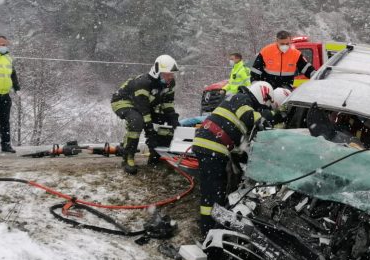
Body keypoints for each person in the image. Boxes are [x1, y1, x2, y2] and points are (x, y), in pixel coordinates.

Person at [192, 84, 263, 235]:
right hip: (212, 147)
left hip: (208, 145)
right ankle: (208, 230)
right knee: (213, 191)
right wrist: (265, 119)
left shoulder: (234, 97)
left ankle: (207, 225)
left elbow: (235, 136)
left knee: (212, 189)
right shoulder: (242, 99)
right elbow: (249, 117)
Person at [111, 55, 180, 174]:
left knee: (165, 122)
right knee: (137, 121)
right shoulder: (143, 83)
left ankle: (156, 157)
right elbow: (144, 110)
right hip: (123, 101)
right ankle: (128, 157)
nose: (171, 77)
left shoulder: (170, 84)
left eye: (172, 74)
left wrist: (172, 116)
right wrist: (150, 133)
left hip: (144, 105)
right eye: (167, 74)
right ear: (157, 72)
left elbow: (167, 102)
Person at [250, 30, 315, 89]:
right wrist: (255, 85)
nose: (285, 46)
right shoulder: (266, 51)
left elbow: (306, 68)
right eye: (282, 44)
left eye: (287, 44)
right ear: (277, 41)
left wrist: (316, 75)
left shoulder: (296, 54)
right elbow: (256, 70)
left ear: (290, 41)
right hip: (268, 89)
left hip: (286, 89)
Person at [0, 35, 20, 153]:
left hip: (5, 95)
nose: (4, 47)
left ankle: (6, 145)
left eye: (5, 45)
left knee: (5, 122)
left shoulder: (8, 58)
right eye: (2, 45)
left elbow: (13, 74)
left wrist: (17, 87)